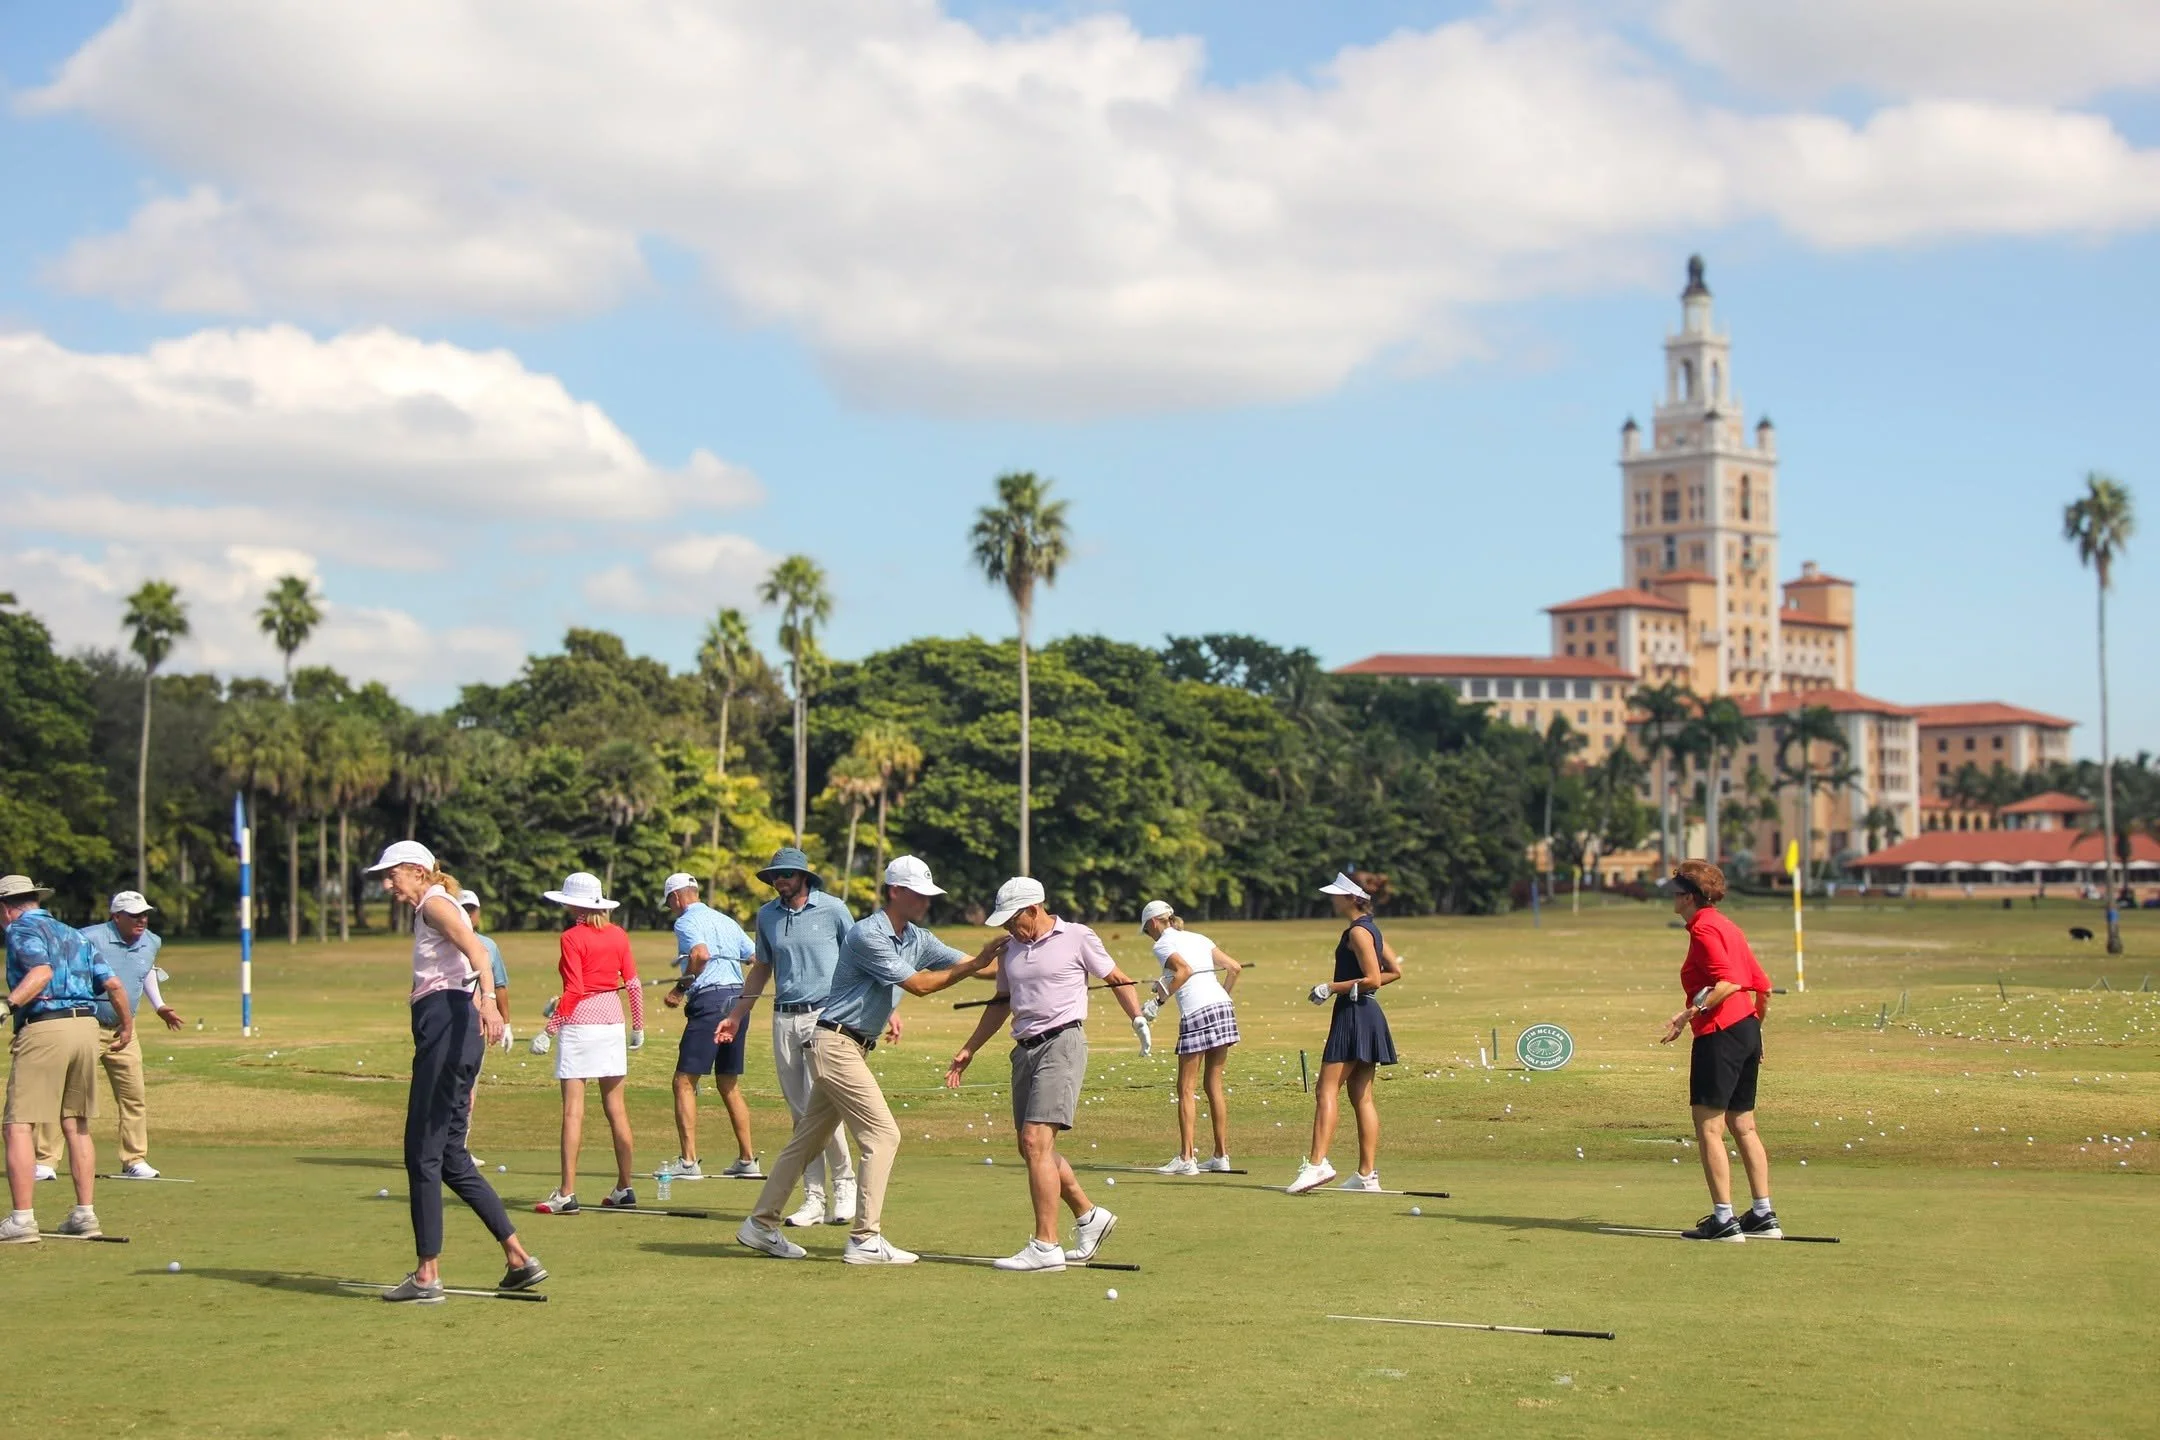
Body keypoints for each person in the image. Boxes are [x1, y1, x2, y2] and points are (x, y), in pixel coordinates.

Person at [735, 857, 998, 1265]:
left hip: (846, 1046)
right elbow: (919, 985)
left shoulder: (917, 937)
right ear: (895, 891)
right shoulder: (866, 935)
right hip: (836, 1044)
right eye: (919, 893)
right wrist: (977, 965)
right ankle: (864, 1238)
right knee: (883, 1135)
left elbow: (969, 965)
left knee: (807, 1140)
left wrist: (1023, 964)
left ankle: (760, 1224)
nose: (926, 901)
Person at [364, 842, 542, 1300]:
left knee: (420, 1152)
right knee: (450, 1157)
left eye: (393, 875)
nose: (388, 885)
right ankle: (519, 1258)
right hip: (454, 1029)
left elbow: (477, 954)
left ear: (417, 872)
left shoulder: (435, 905)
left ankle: (427, 1275)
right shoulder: (435, 904)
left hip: (448, 1024)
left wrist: (487, 1001)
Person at [947, 877, 1151, 1272]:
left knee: (1036, 1140)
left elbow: (1116, 978)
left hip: (1062, 1043)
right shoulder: (1009, 950)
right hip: (1023, 1050)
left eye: (1012, 919)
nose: (1007, 927)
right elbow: (1001, 1003)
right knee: (1030, 1147)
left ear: (1034, 908)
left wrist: (1138, 1018)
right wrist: (970, 1047)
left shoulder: (1077, 936)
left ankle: (1045, 1245)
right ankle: (1090, 1216)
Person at [719, 847, 858, 1226]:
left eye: (786, 875)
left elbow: (860, 958)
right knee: (801, 1115)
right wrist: (735, 1015)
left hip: (825, 1017)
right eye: (774, 876)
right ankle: (813, 1197)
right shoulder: (767, 916)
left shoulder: (832, 909)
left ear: (803, 878)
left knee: (825, 1107)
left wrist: (882, 1009)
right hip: (784, 1018)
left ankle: (845, 1185)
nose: (779, 881)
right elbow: (762, 968)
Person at [2, 874, 133, 1243]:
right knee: (75, 1123)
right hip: (86, 1030)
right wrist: (126, 1026)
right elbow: (114, 985)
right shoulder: (74, 934)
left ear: (7, 907)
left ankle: (22, 1219)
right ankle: (84, 1214)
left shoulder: (19, 930)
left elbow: (40, 972)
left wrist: (8, 1003)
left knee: (18, 1124)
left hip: (46, 1026)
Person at [1657, 859, 1780, 1241]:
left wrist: (1689, 1013)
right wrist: (1753, 1033)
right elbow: (1763, 988)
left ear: (1691, 897)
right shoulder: (1727, 925)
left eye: (1677, 892)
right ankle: (1763, 1215)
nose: (1672, 898)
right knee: (1743, 1124)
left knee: (1708, 1126)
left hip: (1721, 1031)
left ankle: (1724, 1220)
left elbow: (1727, 980)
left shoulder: (1705, 928)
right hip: (1744, 1029)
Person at [34, 890, 182, 1181]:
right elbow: (60, 970)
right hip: (87, 1024)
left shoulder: (152, 941)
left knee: (133, 1096)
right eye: (134, 915)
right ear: (116, 917)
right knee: (68, 1096)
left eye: (144, 914)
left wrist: (160, 1005)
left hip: (125, 1028)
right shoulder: (88, 937)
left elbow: (145, 971)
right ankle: (45, 1161)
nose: (142, 920)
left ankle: (134, 1159)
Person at [529, 871, 643, 1213]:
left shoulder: (571, 937)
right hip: (612, 1025)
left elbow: (575, 991)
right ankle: (625, 1187)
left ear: (572, 904)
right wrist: (638, 1026)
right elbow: (634, 984)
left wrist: (548, 1031)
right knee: (616, 1108)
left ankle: (566, 1193)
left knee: (573, 1111)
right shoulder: (618, 934)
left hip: (580, 1025)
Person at [1287, 872, 1403, 1195]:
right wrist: (1350, 988)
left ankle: (1317, 1164)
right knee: (1361, 1096)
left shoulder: (1357, 933)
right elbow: (1394, 970)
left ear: (1351, 898)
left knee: (1326, 1090)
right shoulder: (1371, 929)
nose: (1332, 899)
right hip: (1366, 1013)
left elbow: (1374, 978)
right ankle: (1366, 1175)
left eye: (1336, 895)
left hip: (1353, 1015)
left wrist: (1330, 987)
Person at [658, 872, 760, 1180]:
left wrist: (679, 989)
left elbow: (700, 955)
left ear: (677, 897)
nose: (672, 909)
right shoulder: (726, 921)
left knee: (684, 1082)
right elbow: (755, 956)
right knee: (728, 1083)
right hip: (738, 1002)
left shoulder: (686, 921)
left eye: (670, 903)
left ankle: (688, 1163)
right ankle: (747, 1160)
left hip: (711, 1003)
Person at [1137, 900, 1243, 1175]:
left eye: (1147, 930)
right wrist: (1221, 998)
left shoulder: (1162, 945)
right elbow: (1234, 968)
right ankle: (1220, 1156)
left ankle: (1186, 1158)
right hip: (1222, 1007)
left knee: (1185, 1088)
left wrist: (1157, 1004)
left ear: (1154, 923)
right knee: (1214, 1085)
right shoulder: (1198, 937)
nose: (1149, 935)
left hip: (1197, 1011)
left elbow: (1184, 971)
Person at [455, 889, 511, 1158]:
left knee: (469, 1086)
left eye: (471, 910)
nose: (467, 914)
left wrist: (506, 1023)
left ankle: (459, 1145)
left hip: (476, 1023)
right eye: (462, 909)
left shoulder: (488, 946)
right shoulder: (444, 939)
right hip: (448, 1019)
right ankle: (445, 1145)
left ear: (477, 914)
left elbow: (499, 986)